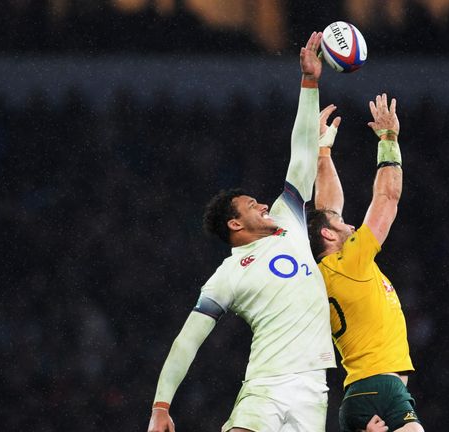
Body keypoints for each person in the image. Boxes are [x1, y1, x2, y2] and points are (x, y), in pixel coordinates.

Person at [146, 32, 388, 432]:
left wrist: (309, 83)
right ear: (235, 224)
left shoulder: (288, 222)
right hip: (266, 386)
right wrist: (160, 405)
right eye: (251, 204)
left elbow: (301, 155)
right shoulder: (230, 273)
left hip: (314, 391)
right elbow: (188, 340)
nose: (263, 203)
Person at [308, 94, 424, 432]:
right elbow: (387, 198)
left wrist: (323, 155)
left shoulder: (325, 271)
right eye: (342, 224)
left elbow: (325, 211)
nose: (350, 224)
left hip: (358, 394)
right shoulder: (351, 262)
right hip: (382, 387)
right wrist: (389, 140)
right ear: (329, 238)